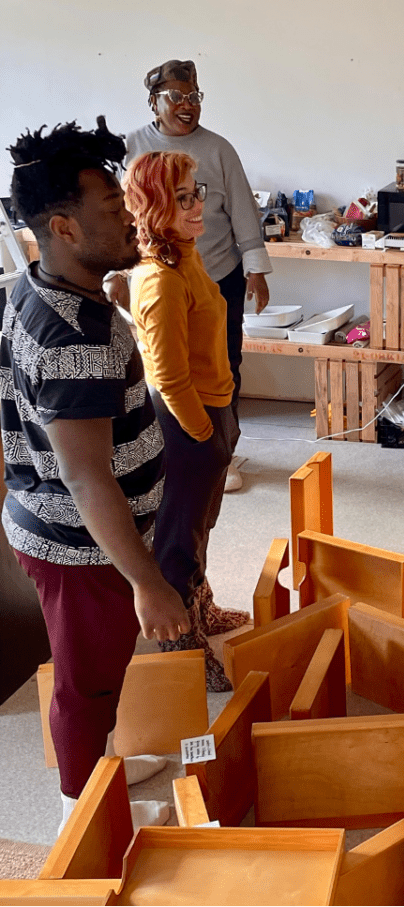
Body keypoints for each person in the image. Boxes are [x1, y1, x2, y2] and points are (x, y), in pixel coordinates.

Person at [1, 119, 189, 832]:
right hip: (80, 546)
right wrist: (149, 582)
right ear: (64, 227)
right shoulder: (80, 339)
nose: (130, 214)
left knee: (100, 673)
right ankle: (82, 821)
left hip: (57, 524)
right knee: (86, 685)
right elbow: (87, 479)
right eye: (111, 207)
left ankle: (102, 760)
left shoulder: (35, 285)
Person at [123, 150, 245, 692]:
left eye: (197, 193)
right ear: (152, 206)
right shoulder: (161, 280)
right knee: (177, 538)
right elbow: (168, 378)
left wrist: (220, 430)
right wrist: (204, 438)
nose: (198, 205)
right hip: (186, 425)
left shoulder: (185, 256)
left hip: (212, 413)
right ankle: (181, 648)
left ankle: (201, 609)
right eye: (182, 198)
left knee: (198, 527)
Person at [124, 59, 272, 493]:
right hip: (160, 273)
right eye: (177, 97)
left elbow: (244, 210)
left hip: (215, 273)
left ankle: (224, 449)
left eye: (194, 97)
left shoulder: (219, 148)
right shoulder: (131, 147)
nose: (187, 105)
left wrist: (256, 270)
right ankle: (184, 447)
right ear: (154, 102)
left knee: (225, 361)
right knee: (167, 369)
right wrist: (117, 271)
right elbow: (120, 214)